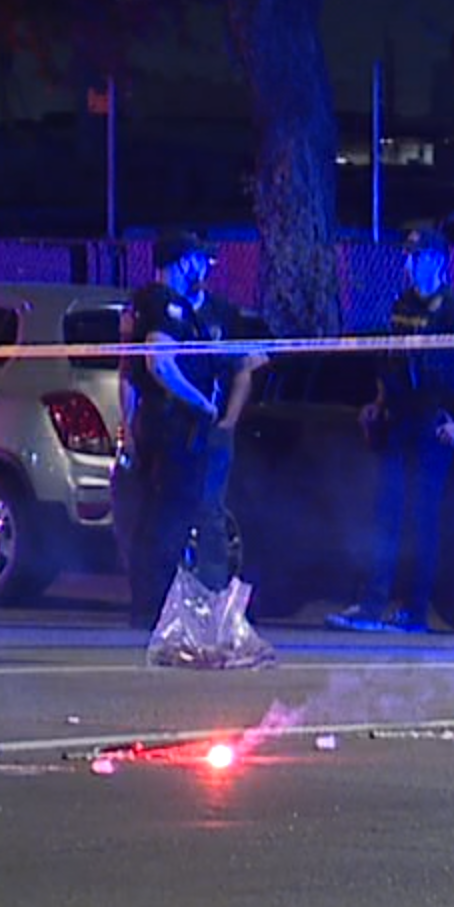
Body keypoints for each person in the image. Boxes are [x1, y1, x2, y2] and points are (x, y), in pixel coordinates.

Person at [328, 222, 454, 633]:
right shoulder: (403, 304)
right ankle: (372, 606)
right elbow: (391, 361)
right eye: (407, 256)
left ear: (437, 261)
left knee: (422, 520)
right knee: (385, 515)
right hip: (399, 420)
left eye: (417, 257)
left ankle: (414, 612)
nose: (408, 265)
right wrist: (379, 402)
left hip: (432, 424)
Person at [120, 229, 266, 637]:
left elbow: (130, 373)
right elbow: (158, 364)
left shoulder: (155, 303)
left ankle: (150, 610)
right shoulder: (165, 304)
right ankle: (157, 611)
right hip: (174, 427)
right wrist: (202, 404)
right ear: (184, 261)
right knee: (170, 520)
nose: (205, 266)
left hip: (160, 424)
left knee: (159, 517)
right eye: (199, 259)